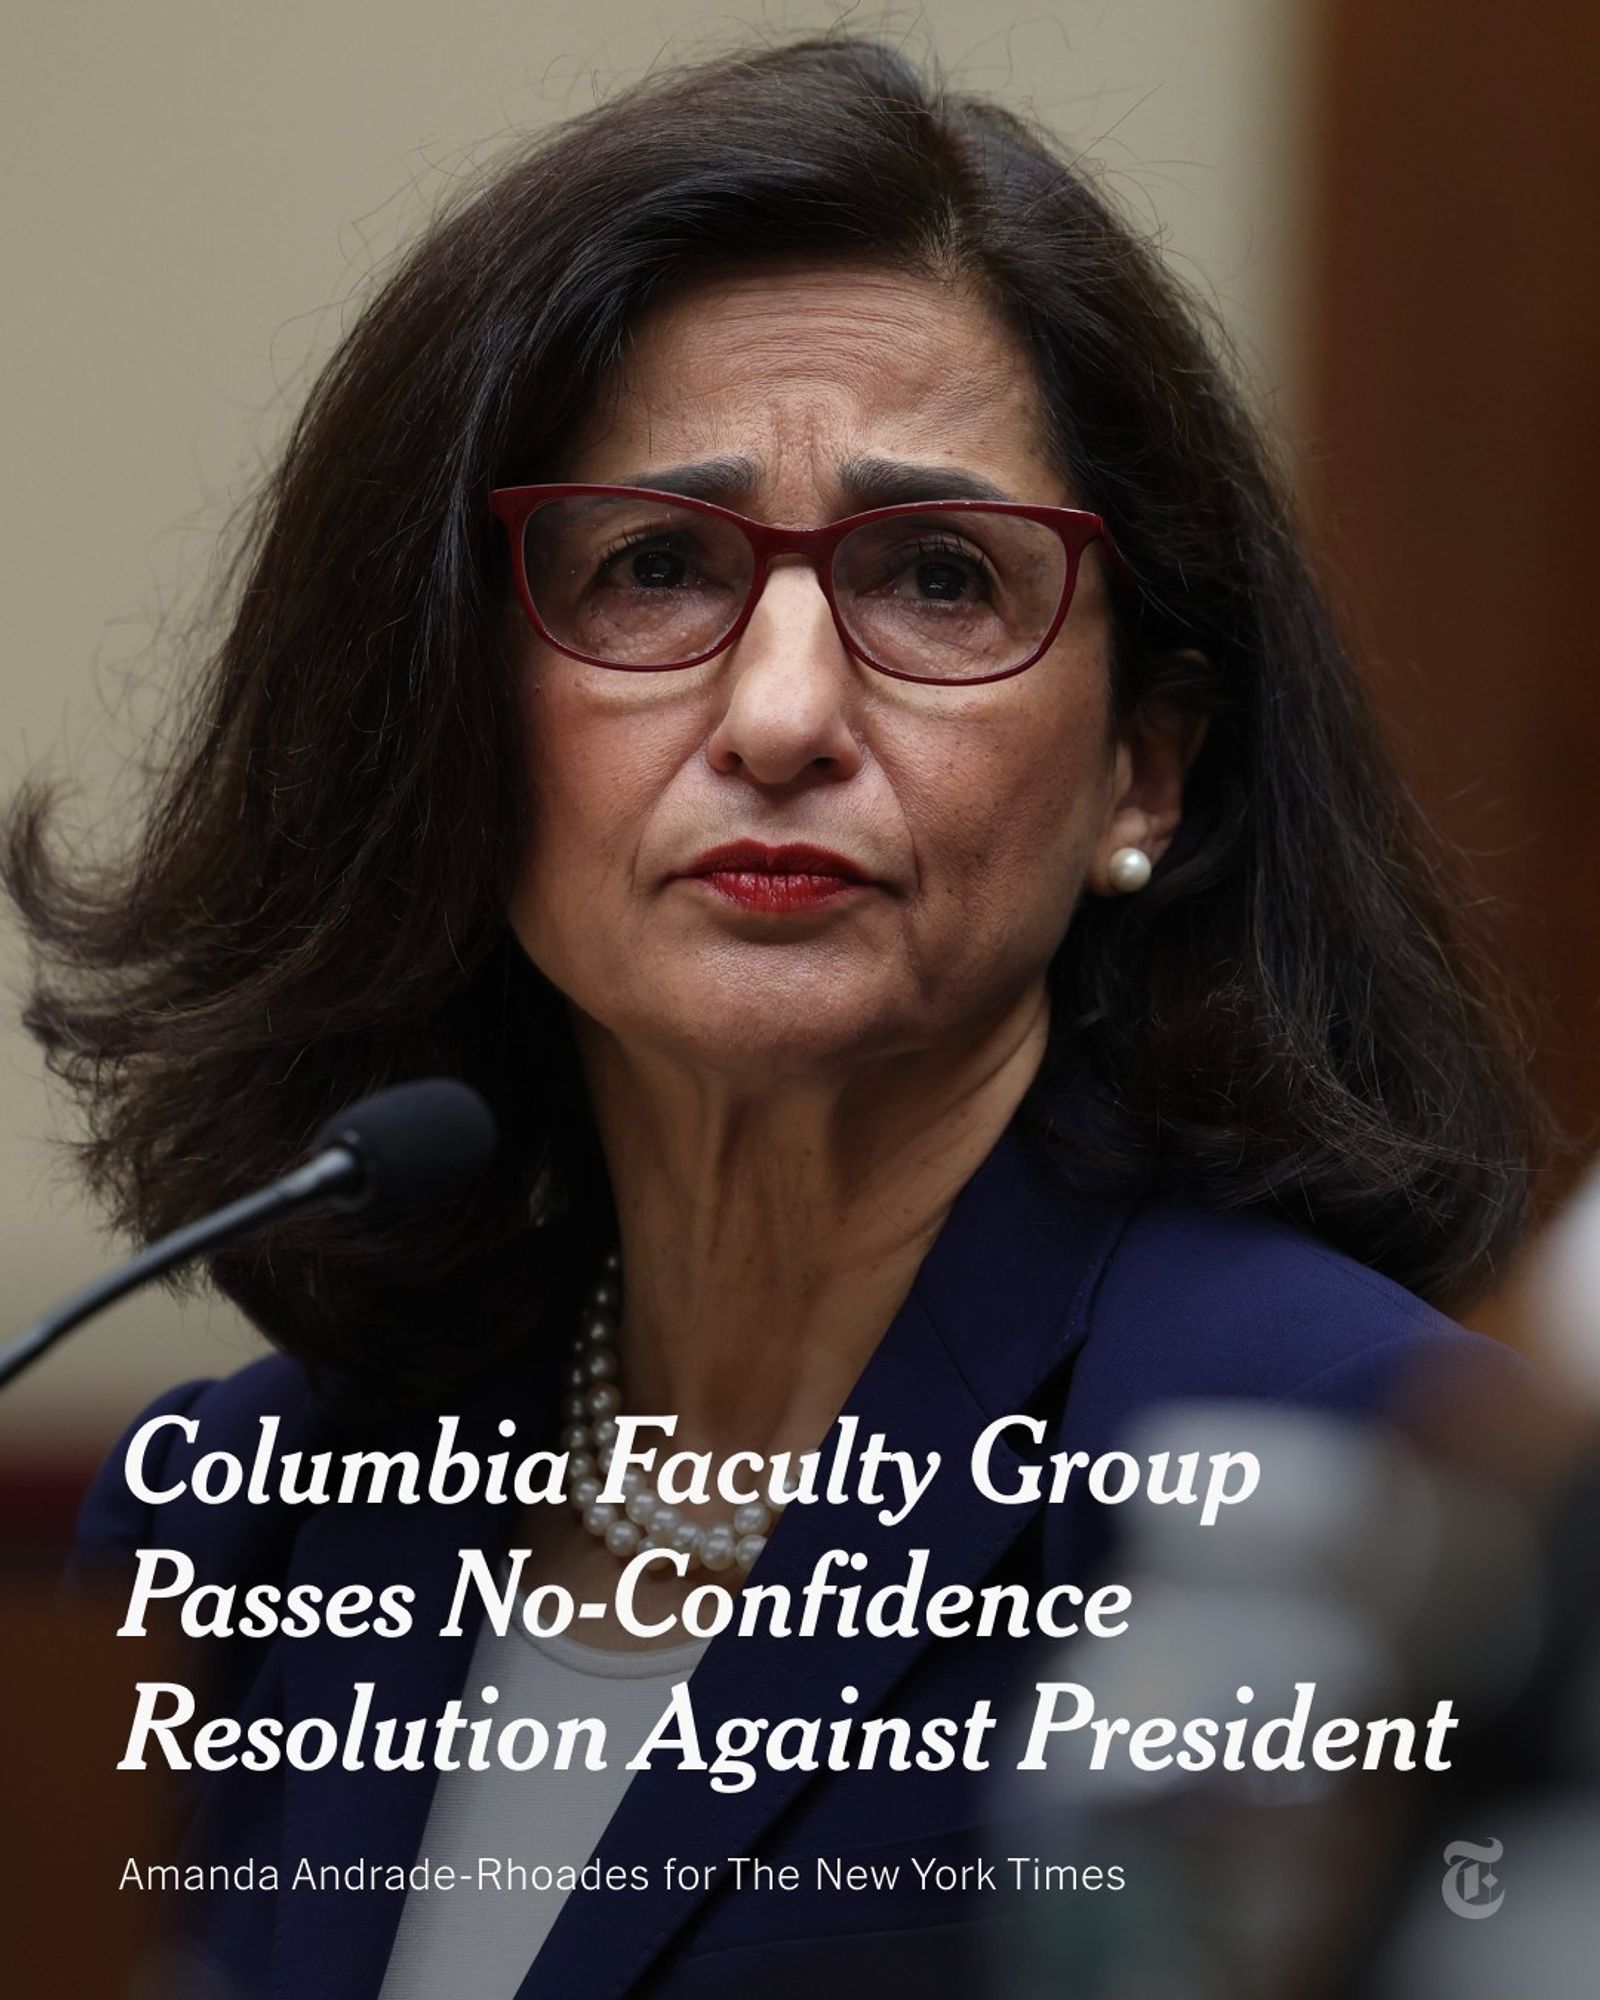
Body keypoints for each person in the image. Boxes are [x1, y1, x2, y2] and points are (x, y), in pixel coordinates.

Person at [2, 32, 1551, 2000]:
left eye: (931, 576)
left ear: (1141, 775)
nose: (784, 711)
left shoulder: (1359, 1490)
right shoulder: (302, 1507)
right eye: (652, 566)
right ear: (450, 725)